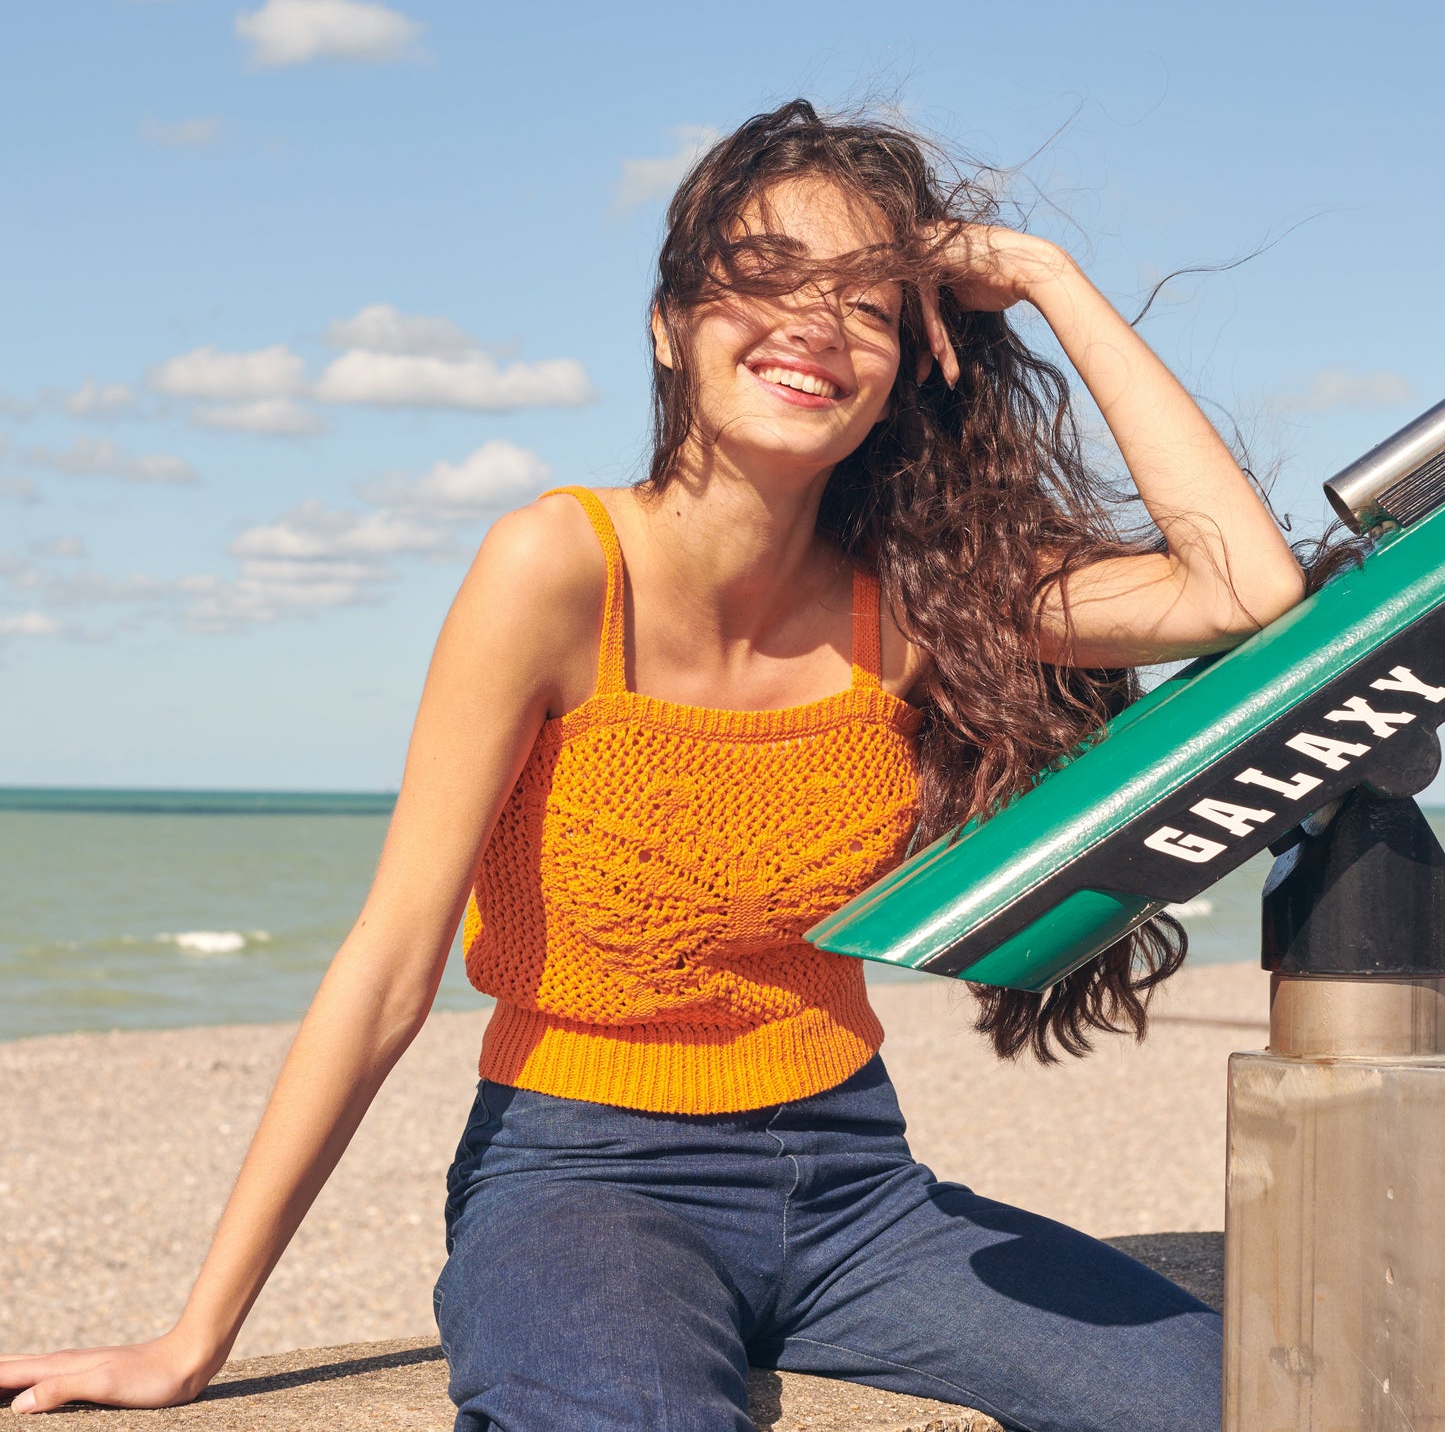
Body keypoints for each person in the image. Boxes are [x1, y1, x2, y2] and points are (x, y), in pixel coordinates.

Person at [0, 100, 1305, 1430]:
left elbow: (1239, 586)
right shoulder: (556, 567)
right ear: (669, 321)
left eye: (863, 302)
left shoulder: (906, 598)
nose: (810, 322)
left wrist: (1038, 275)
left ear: (908, 363)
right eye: (764, 278)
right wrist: (193, 1333)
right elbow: (390, 965)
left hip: (856, 1186)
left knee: (1238, 1396)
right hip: (582, 1184)